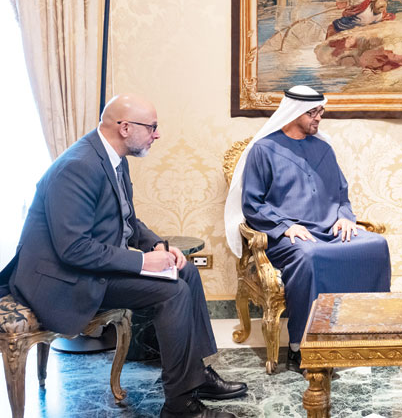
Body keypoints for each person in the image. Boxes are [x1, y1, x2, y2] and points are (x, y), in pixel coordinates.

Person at [0, 95, 246, 418]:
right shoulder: (78, 167)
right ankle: (180, 406)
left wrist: (158, 246)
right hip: (64, 280)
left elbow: (127, 220)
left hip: (90, 268)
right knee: (173, 291)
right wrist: (143, 262)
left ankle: (196, 376)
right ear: (125, 128)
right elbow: (73, 249)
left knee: (186, 272)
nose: (157, 134)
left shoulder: (114, 159)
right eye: (152, 127)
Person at [225, 85, 391, 372]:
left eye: (320, 111)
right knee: (308, 255)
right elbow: (252, 204)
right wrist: (285, 226)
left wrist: (344, 216)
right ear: (294, 112)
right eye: (312, 112)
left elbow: (342, 195)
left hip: (329, 229)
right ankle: (302, 346)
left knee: (377, 245)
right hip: (288, 237)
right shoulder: (263, 150)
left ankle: (366, 335)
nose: (319, 118)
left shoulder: (324, 148)